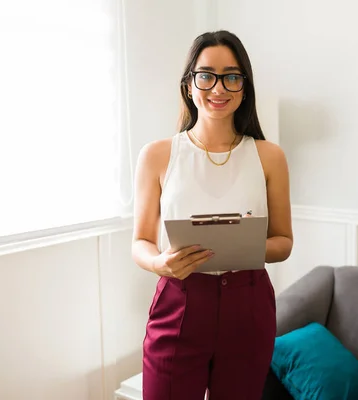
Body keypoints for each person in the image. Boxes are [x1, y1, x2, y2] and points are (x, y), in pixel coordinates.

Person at [131, 30, 293, 400]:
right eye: (206, 75)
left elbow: (283, 242)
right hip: (180, 300)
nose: (218, 88)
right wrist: (160, 263)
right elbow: (140, 241)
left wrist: (244, 246)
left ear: (244, 87)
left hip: (247, 306)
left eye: (232, 77)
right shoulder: (156, 155)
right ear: (189, 85)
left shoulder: (270, 156)